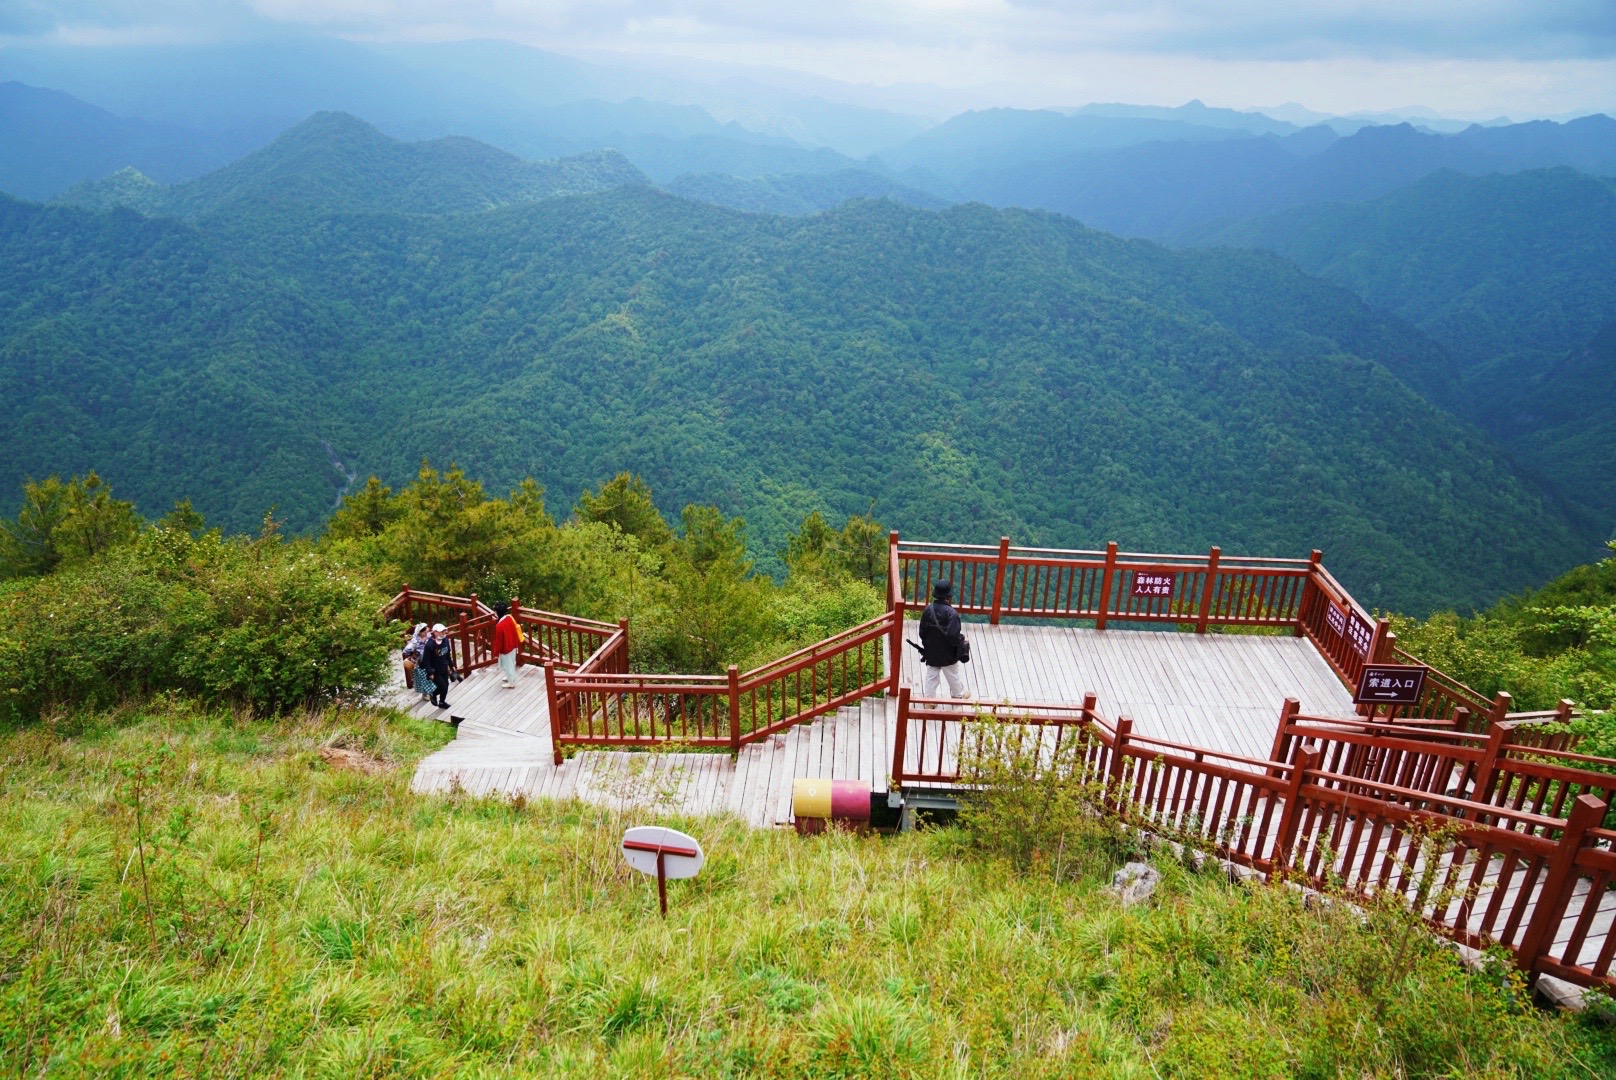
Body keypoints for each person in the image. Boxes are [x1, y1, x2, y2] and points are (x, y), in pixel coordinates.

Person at [917, 580, 969, 699]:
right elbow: (953, 636)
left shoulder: (927, 610)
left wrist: (928, 645)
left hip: (931, 650)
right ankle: (958, 695)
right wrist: (961, 641)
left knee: (931, 675)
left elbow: (922, 632)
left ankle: (929, 700)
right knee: (952, 674)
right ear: (949, 596)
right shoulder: (952, 613)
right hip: (948, 652)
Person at [423, 622, 455, 709]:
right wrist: (430, 672)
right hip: (435, 670)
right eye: (441, 631)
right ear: (435, 632)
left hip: (444, 667)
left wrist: (451, 666)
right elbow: (426, 660)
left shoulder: (445, 640)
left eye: (444, 631)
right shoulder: (430, 645)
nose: (444, 633)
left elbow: (448, 654)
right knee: (442, 686)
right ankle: (433, 694)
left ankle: (442, 702)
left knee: (446, 685)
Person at [492, 601, 522, 688]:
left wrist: (496, 652)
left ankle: (511, 683)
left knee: (508, 665)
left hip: (506, 648)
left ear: (497, 612)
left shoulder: (499, 626)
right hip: (512, 644)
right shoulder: (509, 617)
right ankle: (511, 677)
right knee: (511, 663)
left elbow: (499, 641)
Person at [404, 623, 432, 700]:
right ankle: (425, 694)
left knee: (431, 675)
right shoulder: (415, 640)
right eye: (423, 631)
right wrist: (415, 652)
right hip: (420, 661)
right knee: (423, 677)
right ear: (419, 632)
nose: (426, 632)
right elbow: (406, 651)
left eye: (426, 630)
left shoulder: (429, 636)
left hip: (429, 659)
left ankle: (431, 692)